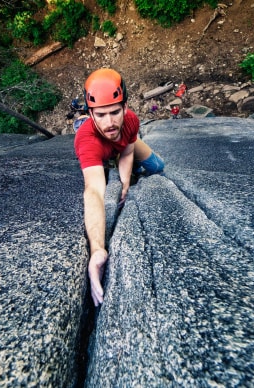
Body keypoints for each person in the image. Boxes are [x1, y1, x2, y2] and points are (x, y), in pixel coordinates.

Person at [74, 68, 165, 307]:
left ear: (125, 107)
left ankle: (126, 167)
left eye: (115, 112)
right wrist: (97, 249)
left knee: (157, 166)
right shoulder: (87, 141)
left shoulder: (131, 120)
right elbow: (93, 190)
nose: (110, 122)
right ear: (91, 112)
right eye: (100, 115)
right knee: (101, 169)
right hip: (99, 148)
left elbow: (127, 149)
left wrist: (125, 182)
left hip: (124, 146)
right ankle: (81, 125)